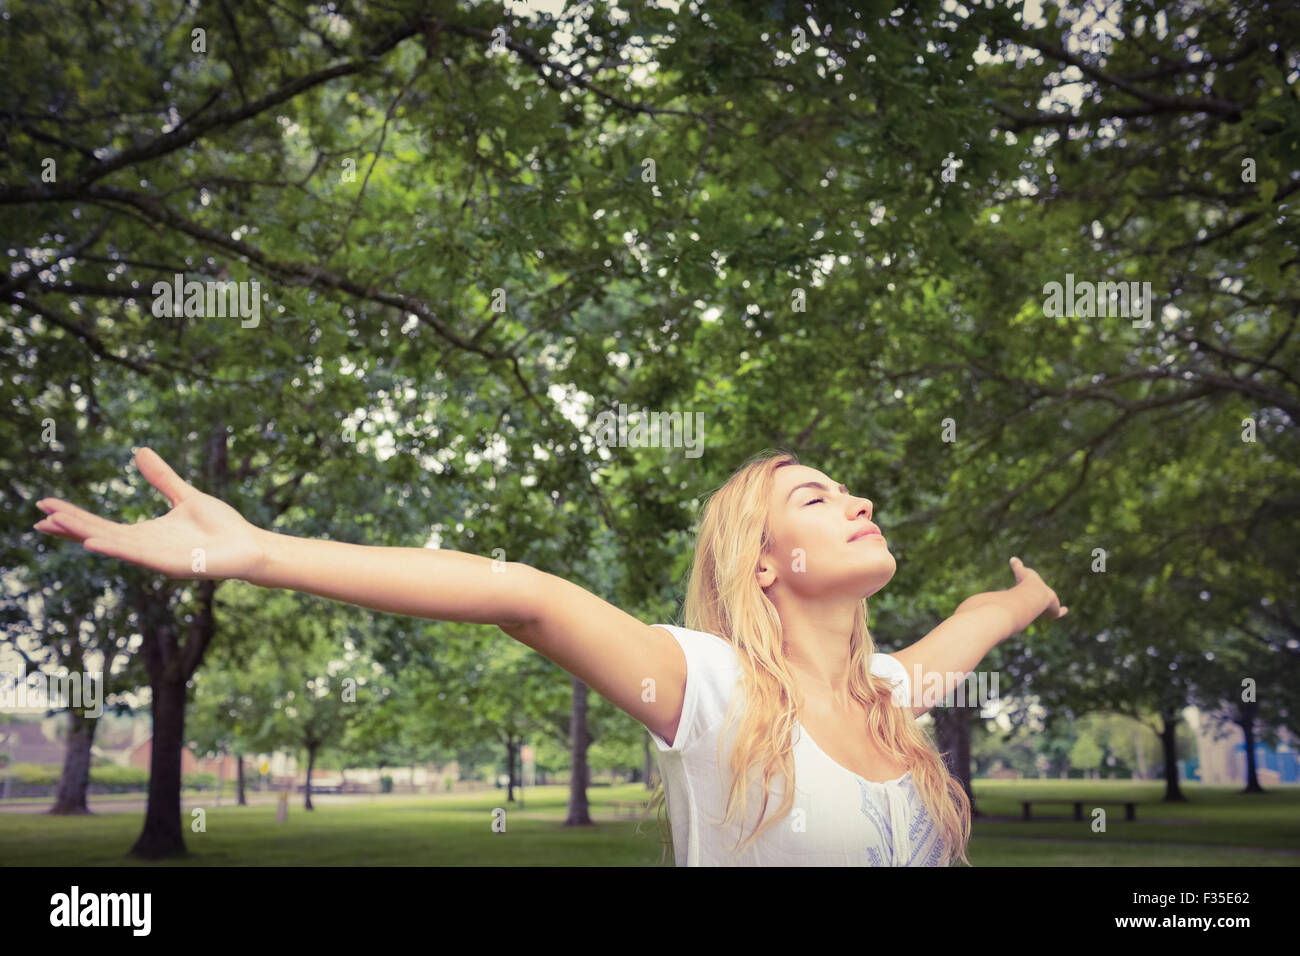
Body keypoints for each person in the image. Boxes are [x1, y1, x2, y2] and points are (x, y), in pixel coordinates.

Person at [33, 446, 1067, 866]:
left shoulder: (891, 694)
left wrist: (1025, 595)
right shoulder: (712, 687)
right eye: (818, 497)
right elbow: (521, 596)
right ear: (762, 565)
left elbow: (974, 617)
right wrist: (256, 551)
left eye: (851, 490)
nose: (859, 501)